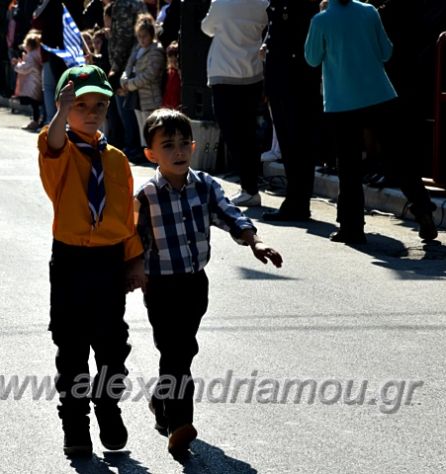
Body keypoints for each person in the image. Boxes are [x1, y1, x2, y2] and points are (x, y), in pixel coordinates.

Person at [135, 108, 283, 456]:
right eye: (168, 145)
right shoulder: (144, 195)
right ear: (150, 154)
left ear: (194, 145)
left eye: (184, 143)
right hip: (159, 286)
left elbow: (230, 214)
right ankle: (179, 423)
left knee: (182, 349)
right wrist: (129, 272)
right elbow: (129, 239)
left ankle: (161, 400)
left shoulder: (204, 185)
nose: (179, 152)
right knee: (175, 351)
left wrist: (255, 241)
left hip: (194, 284)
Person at [36, 64, 145, 456]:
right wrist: (60, 113)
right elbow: (52, 145)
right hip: (70, 262)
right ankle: (75, 422)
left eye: (100, 104)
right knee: (71, 347)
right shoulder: (59, 150)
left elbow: (127, 215)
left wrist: (134, 260)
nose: (93, 111)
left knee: (113, 344)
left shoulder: (116, 158)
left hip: (109, 262)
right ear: (65, 107)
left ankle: (108, 406)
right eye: (82, 104)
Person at [304, 0, 438, 244]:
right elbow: (386, 52)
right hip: (379, 94)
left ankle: (352, 227)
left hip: (341, 100)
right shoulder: (369, 12)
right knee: (397, 156)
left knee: (349, 165)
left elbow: (312, 58)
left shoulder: (320, 20)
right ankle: (423, 208)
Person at [201, 0, 268, 207]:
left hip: (224, 74)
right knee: (248, 131)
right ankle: (250, 186)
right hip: (252, 73)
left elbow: (206, 28)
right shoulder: (262, 4)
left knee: (233, 133)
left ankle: (248, 187)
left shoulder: (221, 3)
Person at [260, 0, 322, 221]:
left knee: (297, 143)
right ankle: (297, 201)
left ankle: (298, 202)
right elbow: (275, 31)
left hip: (295, 79)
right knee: (290, 144)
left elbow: (297, 37)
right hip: (283, 77)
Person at [107, 0, 146, 161]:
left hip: (125, 64)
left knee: (125, 108)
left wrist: (116, 67)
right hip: (135, 60)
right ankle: (131, 145)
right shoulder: (137, 4)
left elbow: (123, 38)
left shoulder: (123, 5)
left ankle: (131, 146)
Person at [120, 13, 165, 148]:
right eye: (139, 36)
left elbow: (150, 74)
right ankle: (144, 149)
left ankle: (154, 151)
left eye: (144, 36)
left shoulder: (156, 50)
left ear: (151, 34)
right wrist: (124, 79)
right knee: (141, 126)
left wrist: (131, 84)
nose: (141, 39)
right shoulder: (137, 48)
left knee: (151, 126)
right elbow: (129, 66)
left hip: (149, 95)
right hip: (137, 95)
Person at [12, 29, 43, 130]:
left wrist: (17, 64)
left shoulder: (30, 56)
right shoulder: (38, 54)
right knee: (38, 103)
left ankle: (35, 121)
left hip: (33, 83)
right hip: (38, 81)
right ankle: (39, 119)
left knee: (34, 104)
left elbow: (24, 68)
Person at [160, 40, 180, 110]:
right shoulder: (167, 73)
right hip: (166, 105)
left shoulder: (180, 73)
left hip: (178, 105)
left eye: (175, 56)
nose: (173, 59)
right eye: (170, 56)